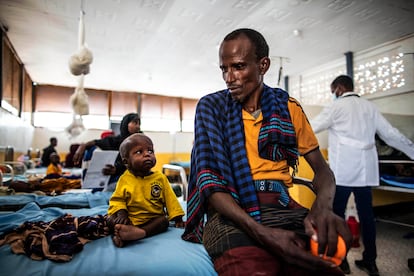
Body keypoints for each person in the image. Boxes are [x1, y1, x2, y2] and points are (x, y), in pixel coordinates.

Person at [182, 28, 352, 275]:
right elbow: (210, 184)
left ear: (263, 65)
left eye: (238, 67)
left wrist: (322, 208)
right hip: (232, 215)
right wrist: (264, 235)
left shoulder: (288, 108)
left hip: (284, 207)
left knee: (327, 264)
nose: (229, 77)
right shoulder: (211, 108)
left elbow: (323, 171)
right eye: (224, 69)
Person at [310, 75, 414, 276]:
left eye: (333, 91)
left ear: (340, 88)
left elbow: (311, 127)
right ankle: (371, 262)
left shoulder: (336, 107)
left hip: (342, 173)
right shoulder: (370, 107)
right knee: (367, 217)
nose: (333, 95)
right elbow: (391, 134)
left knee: (337, 216)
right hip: (365, 173)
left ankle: (340, 261)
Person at [107, 133, 185, 247]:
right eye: (139, 152)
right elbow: (118, 200)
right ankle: (122, 232)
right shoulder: (124, 179)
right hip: (129, 219)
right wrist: (122, 215)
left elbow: (170, 199)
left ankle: (139, 233)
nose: (147, 155)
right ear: (126, 162)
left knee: (163, 221)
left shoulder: (160, 178)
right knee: (109, 219)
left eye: (150, 151)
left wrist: (178, 218)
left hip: (151, 220)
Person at [73, 113, 141, 189]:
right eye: (135, 123)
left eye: (139, 123)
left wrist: (117, 168)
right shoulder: (116, 141)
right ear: (125, 124)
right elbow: (97, 142)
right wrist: (82, 146)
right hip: (113, 176)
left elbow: (135, 162)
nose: (138, 126)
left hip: (132, 177)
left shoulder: (141, 142)